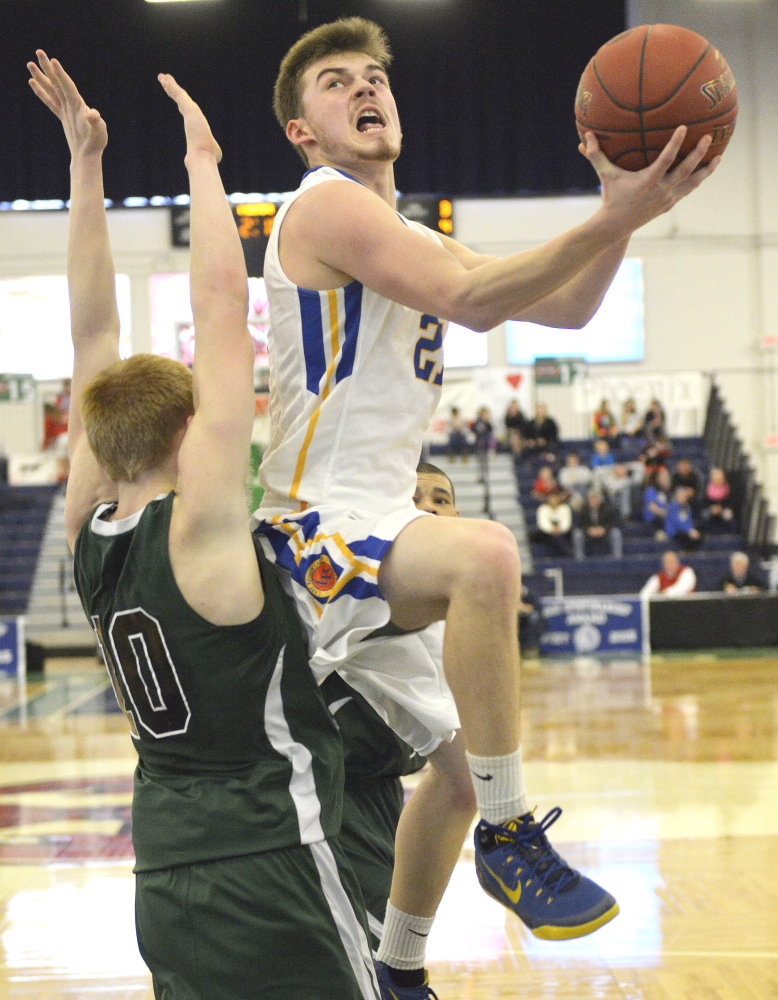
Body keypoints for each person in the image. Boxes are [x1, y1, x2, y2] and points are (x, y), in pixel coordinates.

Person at [257, 16, 716, 996]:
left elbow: (568, 308)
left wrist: (620, 212)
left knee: (456, 776)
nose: (366, 90)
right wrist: (612, 213)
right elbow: (472, 300)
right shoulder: (322, 206)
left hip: (376, 522)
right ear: (302, 129)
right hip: (314, 525)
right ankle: (513, 838)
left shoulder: (407, 234)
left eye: (375, 76)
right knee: (487, 556)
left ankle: (399, 972)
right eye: (336, 83)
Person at [29, 54, 379, 1000]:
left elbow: (90, 336)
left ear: (101, 443)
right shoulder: (201, 530)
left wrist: (87, 166)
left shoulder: (87, 537)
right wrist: (202, 159)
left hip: (165, 876)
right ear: (191, 434)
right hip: (270, 856)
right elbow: (224, 310)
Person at [322, 462, 464, 955]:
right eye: (413, 498)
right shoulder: (360, 591)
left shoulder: (457, 622)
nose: (427, 507)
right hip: (322, 810)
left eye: (440, 499)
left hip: (379, 806)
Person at [572, 489, 622, 561]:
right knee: (577, 534)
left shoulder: (608, 508)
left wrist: (604, 529)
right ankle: (579, 560)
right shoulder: (583, 509)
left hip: (605, 534)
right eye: (591, 499)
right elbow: (578, 524)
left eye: (595, 498)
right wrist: (588, 529)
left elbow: (615, 523)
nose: (593, 501)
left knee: (616, 533)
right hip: (588, 534)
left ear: (600, 500)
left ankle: (617, 559)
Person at [531, 490, 573, 557]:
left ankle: (565, 556)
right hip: (547, 533)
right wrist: (551, 529)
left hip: (562, 532)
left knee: (560, 538)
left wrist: (560, 529)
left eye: (555, 498)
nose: (553, 500)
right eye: (551, 498)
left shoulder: (564, 508)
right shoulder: (543, 508)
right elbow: (542, 523)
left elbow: (566, 522)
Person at [665, 485, 703, 552]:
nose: (684, 497)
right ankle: (685, 551)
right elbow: (677, 522)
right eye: (682, 495)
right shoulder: (672, 507)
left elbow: (688, 521)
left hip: (686, 529)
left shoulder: (687, 507)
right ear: (676, 496)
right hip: (675, 531)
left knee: (700, 531)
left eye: (685, 496)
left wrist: (692, 529)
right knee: (685, 536)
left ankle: (690, 551)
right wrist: (689, 530)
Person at [642, 467, 672, 538]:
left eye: (667, 478)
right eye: (664, 478)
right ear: (658, 479)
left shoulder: (664, 492)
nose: (667, 480)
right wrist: (667, 514)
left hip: (663, 517)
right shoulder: (651, 490)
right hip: (654, 519)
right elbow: (652, 508)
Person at [703, 467, 735, 531]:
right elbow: (704, 502)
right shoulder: (707, 488)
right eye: (716, 477)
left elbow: (731, 502)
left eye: (720, 477)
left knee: (728, 515)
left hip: (723, 508)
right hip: (711, 508)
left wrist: (721, 508)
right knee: (705, 514)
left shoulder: (728, 488)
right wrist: (712, 507)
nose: (718, 479)